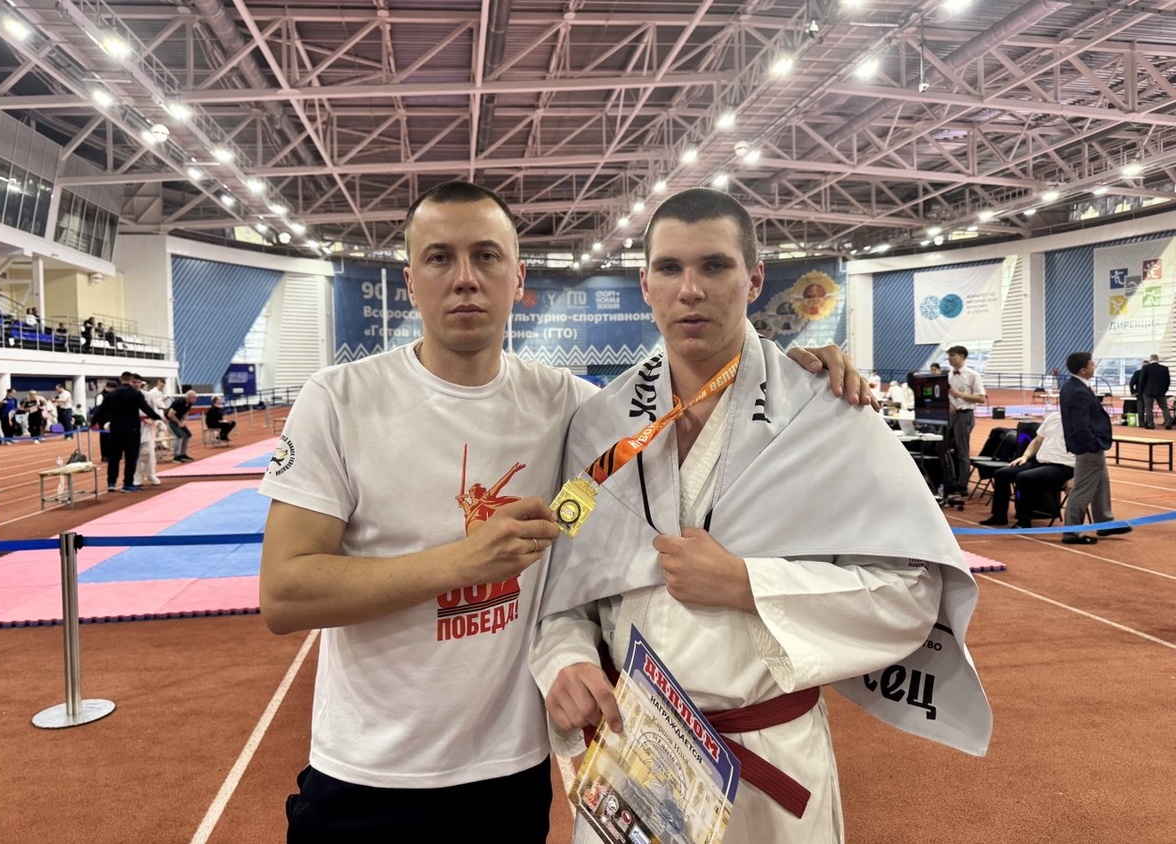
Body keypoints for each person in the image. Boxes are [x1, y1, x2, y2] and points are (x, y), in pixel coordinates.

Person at [256, 180, 873, 843]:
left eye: (486, 256)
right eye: (438, 258)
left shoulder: (573, 408)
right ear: (410, 280)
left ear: (518, 278)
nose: (465, 278)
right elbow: (284, 594)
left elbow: (690, 392)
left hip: (508, 772)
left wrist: (793, 373)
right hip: (368, 771)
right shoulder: (339, 399)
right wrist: (462, 562)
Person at [531, 187, 990, 844]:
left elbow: (909, 597)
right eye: (670, 268)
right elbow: (563, 597)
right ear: (646, 285)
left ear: (753, 279)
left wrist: (747, 584)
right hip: (637, 758)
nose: (691, 289)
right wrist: (567, 660)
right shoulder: (599, 424)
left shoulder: (825, 411)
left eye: (714, 266)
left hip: (770, 759)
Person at [1059, 351, 1131, 544]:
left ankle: (1104, 522)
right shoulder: (1079, 391)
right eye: (1092, 364)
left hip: (1089, 446)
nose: (1094, 367)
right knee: (1082, 490)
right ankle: (1072, 532)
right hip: (1088, 448)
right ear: (1083, 370)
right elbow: (1080, 425)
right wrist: (1093, 444)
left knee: (1101, 484)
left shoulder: (1071, 386)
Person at [978, 411, 1074, 528]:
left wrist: (1075, 477)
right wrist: (1025, 456)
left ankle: (1024, 522)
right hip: (1040, 462)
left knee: (1024, 477)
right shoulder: (1054, 417)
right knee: (1001, 474)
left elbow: (1087, 456)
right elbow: (1037, 440)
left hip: (1062, 468)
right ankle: (999, 516)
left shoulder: (1082, 422)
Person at [89, 371, 162, 492]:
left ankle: (111, 483)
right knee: (130, 458)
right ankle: (127, 484)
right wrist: (157, 417)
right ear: (131, 380)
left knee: (114, 458)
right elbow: (146, 409)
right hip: (131, 430)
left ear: (120, 379)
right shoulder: (136, 394)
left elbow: (100, 410)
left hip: (116, 430)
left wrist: (92, 422)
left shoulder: (112, 394)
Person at [944, 344, 986, 495]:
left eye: (952, 355)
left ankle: (962, 484)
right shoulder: (949, 375)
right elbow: (947, 394)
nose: (949, 358)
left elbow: (981, 398)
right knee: (946, 448)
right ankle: (951, 480)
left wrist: (960, 395)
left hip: (964, 414)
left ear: (961, 357)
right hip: (951, 415)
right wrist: (949, 403)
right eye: (948, 356)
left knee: (962, 450)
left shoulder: (973, 375)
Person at [1137, 353, 1171, 430]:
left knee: (1149, 408)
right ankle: (1168, 423)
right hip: (1160, 391)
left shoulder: (1146, 368)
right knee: (1164, 407)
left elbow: (1141, 380)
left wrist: (1140, 391)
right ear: (1157, 359)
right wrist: (1164, 390)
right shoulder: (1164, 368)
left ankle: (1150, 424)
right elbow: (1167, 381)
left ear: (1150, 359)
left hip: (1148, 391)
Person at [165, 389, 199, 462]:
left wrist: (183, 421)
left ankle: (183, 454)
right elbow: (170, 414)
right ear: (189, 397)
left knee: (188, 435)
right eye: (194, 398)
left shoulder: (189, 404)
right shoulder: (179, 402)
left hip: (179, 420)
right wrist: (179, 423)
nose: (196, 399)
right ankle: (176, 456)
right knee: (179, 436)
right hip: (171, 421)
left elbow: (186, 412)